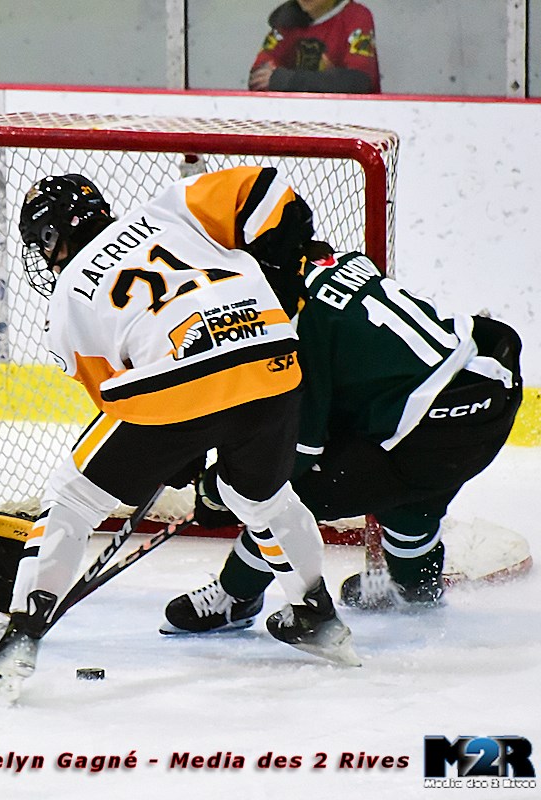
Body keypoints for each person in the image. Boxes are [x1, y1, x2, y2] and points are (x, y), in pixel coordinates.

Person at [0, 166, 360, 706]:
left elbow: (113, 394)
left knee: (72, 498)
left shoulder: (67, 300)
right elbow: (268, 191)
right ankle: (317, 616)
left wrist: (175, 454)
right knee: (262, 498)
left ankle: (20, 636)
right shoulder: (170, 209)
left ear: (52, 238)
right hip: (274, 358)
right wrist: (281, 283)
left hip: (176, 382)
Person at [162, 246, 523, 632]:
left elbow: (294, 455)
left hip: (429, 424)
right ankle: (417, 589)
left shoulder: (296, 328)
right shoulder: (336, 261)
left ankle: (235, 596)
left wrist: (221, 489)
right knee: (410, 496)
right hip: (487, 395)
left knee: (289, 498)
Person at [249, 0, 380, 93]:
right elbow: (258, 79)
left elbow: (358, 82)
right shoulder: (286, 19)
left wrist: (286, 80)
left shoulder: (355, 15)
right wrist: (327, 81)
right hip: (292, 121)